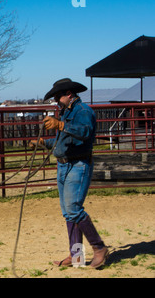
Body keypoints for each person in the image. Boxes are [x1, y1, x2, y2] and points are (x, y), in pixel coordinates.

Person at [30, 78, 108, 269]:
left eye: (58, 96)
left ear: (69, 94)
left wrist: (60, 125)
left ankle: (99, 248)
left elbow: (85, 132)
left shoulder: (83, 111)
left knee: (73, 209)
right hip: (65, 165)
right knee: (68, 212)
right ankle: (77, 256)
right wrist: (42, 143)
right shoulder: (66, 112)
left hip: (78, 164)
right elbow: (61, 140)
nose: (56, 100)